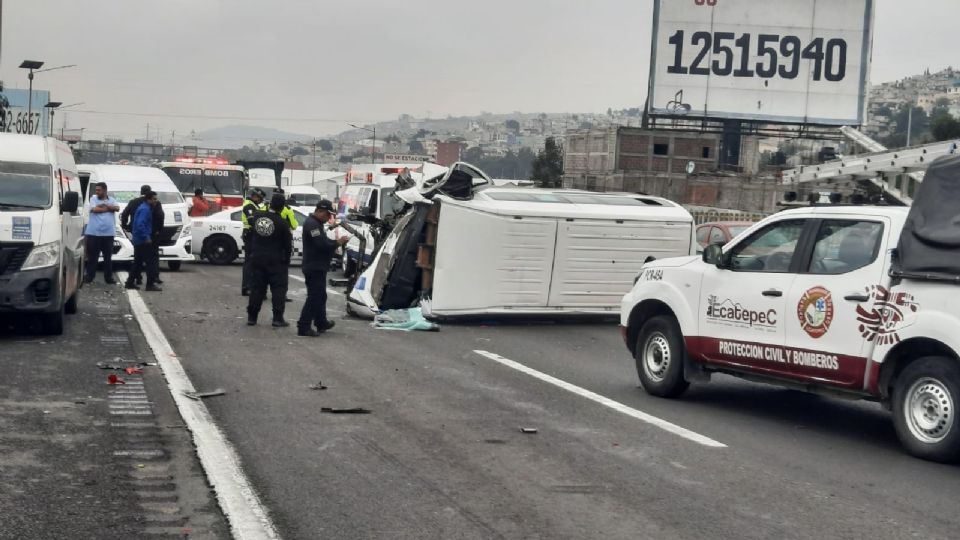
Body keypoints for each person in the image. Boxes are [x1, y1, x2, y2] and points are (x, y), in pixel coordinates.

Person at [298, 200, 349, 337]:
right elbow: (321, 244)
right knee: (314, 296)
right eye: (328, 214)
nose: (329, 218)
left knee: (321, 296)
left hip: (317, 265)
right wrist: (337, 242)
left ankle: (321, 322)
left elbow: (324, 242)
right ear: (320, 211)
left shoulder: (317, 224)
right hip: (314, 266)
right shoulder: (312, 224)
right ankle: (304, 326)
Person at [246, 194, 292, 327]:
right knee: (278, 290)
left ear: (270, 204)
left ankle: (252, 317)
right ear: (282, 207)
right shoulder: (283, 223)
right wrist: (286, 261)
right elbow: (287, 246)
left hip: (257, 259)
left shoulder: (257, 217)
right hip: (276, 261)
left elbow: (251, 232)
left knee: (257, 289)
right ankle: (277, 318)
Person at [121, 184, 165, 285]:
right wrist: (158, 230)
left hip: (137, 234)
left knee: (138, 261)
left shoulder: (134, 202)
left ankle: (133, 281)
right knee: (151, 259)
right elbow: (160, 216)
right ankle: (152, 281)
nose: (155, 201)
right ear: (149, 196)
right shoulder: (148, 207)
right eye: (154, 199)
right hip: (146, 235)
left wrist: (126, 225)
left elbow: (124, 214)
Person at [84, 182, 121, 284]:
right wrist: (109, 208)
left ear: (105, 190)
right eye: (96, 190)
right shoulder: (93, 199)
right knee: (93, 257)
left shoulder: (112, 200)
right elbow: (94, 209)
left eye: (99, 190)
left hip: (108, 234)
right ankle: (89, 277)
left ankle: (108, 278)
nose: (97, 192)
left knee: (107, 258)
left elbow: (117, 208)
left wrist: (106, 206)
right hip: (94, 233)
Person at [240, 188, 266, 296]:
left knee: (251, 262)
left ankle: (248, 286)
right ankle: (247, 287)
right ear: (256, 197)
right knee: (249, 263)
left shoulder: (253, 205)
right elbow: (252, 221)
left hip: (251, 234)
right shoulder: (249, 205)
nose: (260, 201)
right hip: (250, 234)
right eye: (260, 199)